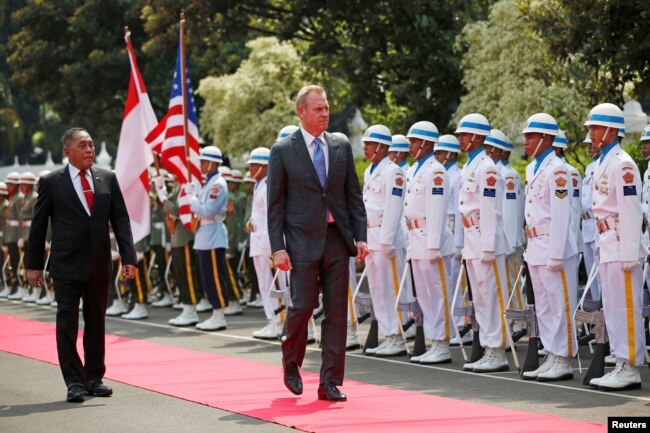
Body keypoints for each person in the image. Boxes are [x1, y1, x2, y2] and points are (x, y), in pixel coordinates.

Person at [267, 84, 368, 402]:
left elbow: (353, 196)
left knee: (337, 312)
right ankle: (291, 363)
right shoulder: (283, 149)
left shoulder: (339, 145)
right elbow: (275, 206)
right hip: (300, 241)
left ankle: (329, 382)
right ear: (302, 112)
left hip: (337, 239)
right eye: (318, 109)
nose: (325, 113)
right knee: (303, 306)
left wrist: (361, 236)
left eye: (326, 108)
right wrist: (278, 247)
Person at [26, 127, 137, 403]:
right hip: (66, 264)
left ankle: (93, 377)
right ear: (67, 151)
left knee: (97, 321)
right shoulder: (52, 182)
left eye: (91, 144)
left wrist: (129, 257)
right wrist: (34, 264)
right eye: (83, 145)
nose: (90, 150)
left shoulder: (107, 179)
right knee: (67, 322)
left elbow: (120, 220)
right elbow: (38, 226)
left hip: (99, 263)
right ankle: (73, 381)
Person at [585, 103, 646, 391]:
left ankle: (630, 365)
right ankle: (621, 360)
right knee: (612, 307)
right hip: (607, 244)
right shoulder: (602, 162)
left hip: (622, 246)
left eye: (595, 127)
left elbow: (631, 211)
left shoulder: (622, 164)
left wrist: (630, 254)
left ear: (611, 130)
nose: (591, 133)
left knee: (625, 308)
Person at [519, 114, 578, 382]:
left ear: (545, 139)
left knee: (559, 304)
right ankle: (552, 353)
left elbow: (561, 212)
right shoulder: (533, 169)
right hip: (535, 245)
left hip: (554, 247)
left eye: (530, 136)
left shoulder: (559, 170)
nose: (526, 141)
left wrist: (556, 252)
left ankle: (563, 357)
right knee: (543, 305)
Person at [454, 113, 510, 373]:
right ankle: (488, 348)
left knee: (491, 296)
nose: (460, 139)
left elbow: (491, 210)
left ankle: (497, 350)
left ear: (476, 137)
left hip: (485, 240)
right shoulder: (471, 166)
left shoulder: (487, 168)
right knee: (480, 298)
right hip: (472, 238)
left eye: (463, 135)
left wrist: (487, 246)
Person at [403, 121, 455, 365]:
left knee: (437, 293)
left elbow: (437, 210)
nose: (410, 146)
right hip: (416, 238)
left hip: (431, 240)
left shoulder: (436, 171)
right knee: (424, 295)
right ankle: (435, 341)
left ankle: (443, 343)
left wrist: (433, 244)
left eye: (414, 141)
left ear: (425, 143)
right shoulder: (415, 170)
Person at [360, 124, 408, 357]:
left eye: (369, 144)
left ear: (381, 146)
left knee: (391, 288)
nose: (365, 148)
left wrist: (387, 241)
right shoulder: (370, 171)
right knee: (377, 289)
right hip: (371, 237)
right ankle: (388, 334)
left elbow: (393, 208)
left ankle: (397, 335)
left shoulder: (394, 172)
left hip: (385, 238)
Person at [188, 145, 235, 331]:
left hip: (213, 235)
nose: (200, 164)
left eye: (203, 161)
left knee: (215, 277)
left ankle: (219, 315)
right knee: (207, 277)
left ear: (212, 163)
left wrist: (193, 201)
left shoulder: (218, 184)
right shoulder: (209, 182)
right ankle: (215, 313)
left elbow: (208, 210)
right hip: (205, 235)